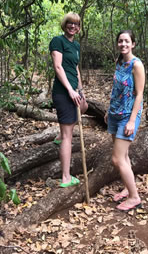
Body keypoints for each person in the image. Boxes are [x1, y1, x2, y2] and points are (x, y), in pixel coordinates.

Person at [104, 30, 145, 211]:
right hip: (115, 113)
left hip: (128, 115)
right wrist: (108, 110)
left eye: (127, 41)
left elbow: (140, 94)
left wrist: (131, 120)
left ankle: (134, 197)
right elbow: (116, 89)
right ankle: (129, 189)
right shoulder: (119, 62)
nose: (123, 44)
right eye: (120, 41)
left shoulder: (137, 65)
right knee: (124, 156)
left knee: (117, 158)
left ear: (133, 44)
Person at [49, 12, 85, 188]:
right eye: (70, 23)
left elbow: (75, 68)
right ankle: (65, 178)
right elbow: (58, 66)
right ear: (65, 24)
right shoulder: (58, 41)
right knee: (68, 137)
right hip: (63, 93)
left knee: (84, 107)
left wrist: (80, 89)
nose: (73, 26)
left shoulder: (76, 45)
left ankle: (60, 135)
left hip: (74, 90)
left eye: (76, 24)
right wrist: (70, 90)